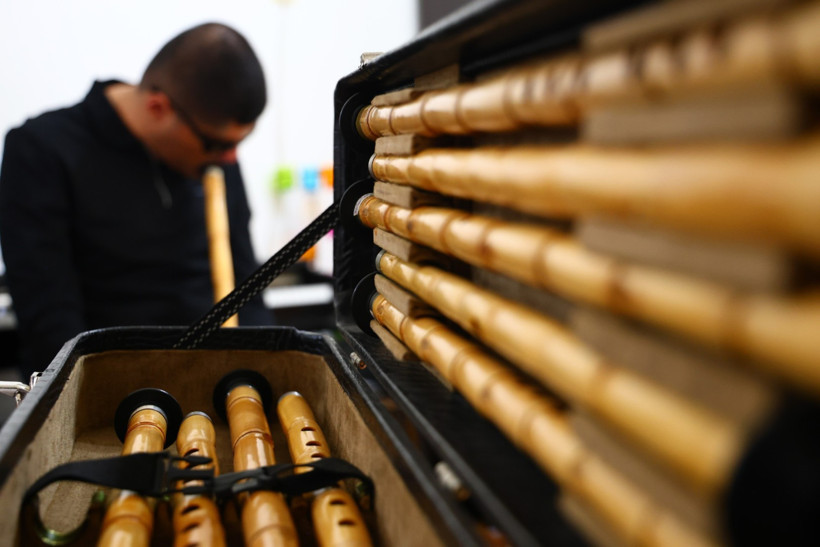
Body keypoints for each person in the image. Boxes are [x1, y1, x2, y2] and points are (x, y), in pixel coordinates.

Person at [0, 23, 272, 378]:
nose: (231, 159)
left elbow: (248, 290)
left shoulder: (214, 157)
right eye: (219, 144)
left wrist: (261, 374)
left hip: (214, 384)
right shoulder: (41, 151)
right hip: (103, 390)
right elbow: (50, 322)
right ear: (158, 107)